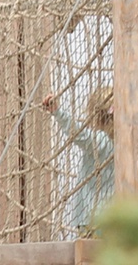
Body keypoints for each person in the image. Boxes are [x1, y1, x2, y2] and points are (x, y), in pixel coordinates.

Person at [41, 85, 114, 231]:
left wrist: (58, 113)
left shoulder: (101, 141)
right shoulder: (124, 142)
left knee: (89, 253)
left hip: (93, 218)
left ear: (95, 116)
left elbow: (80, 134)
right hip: (115, 218)